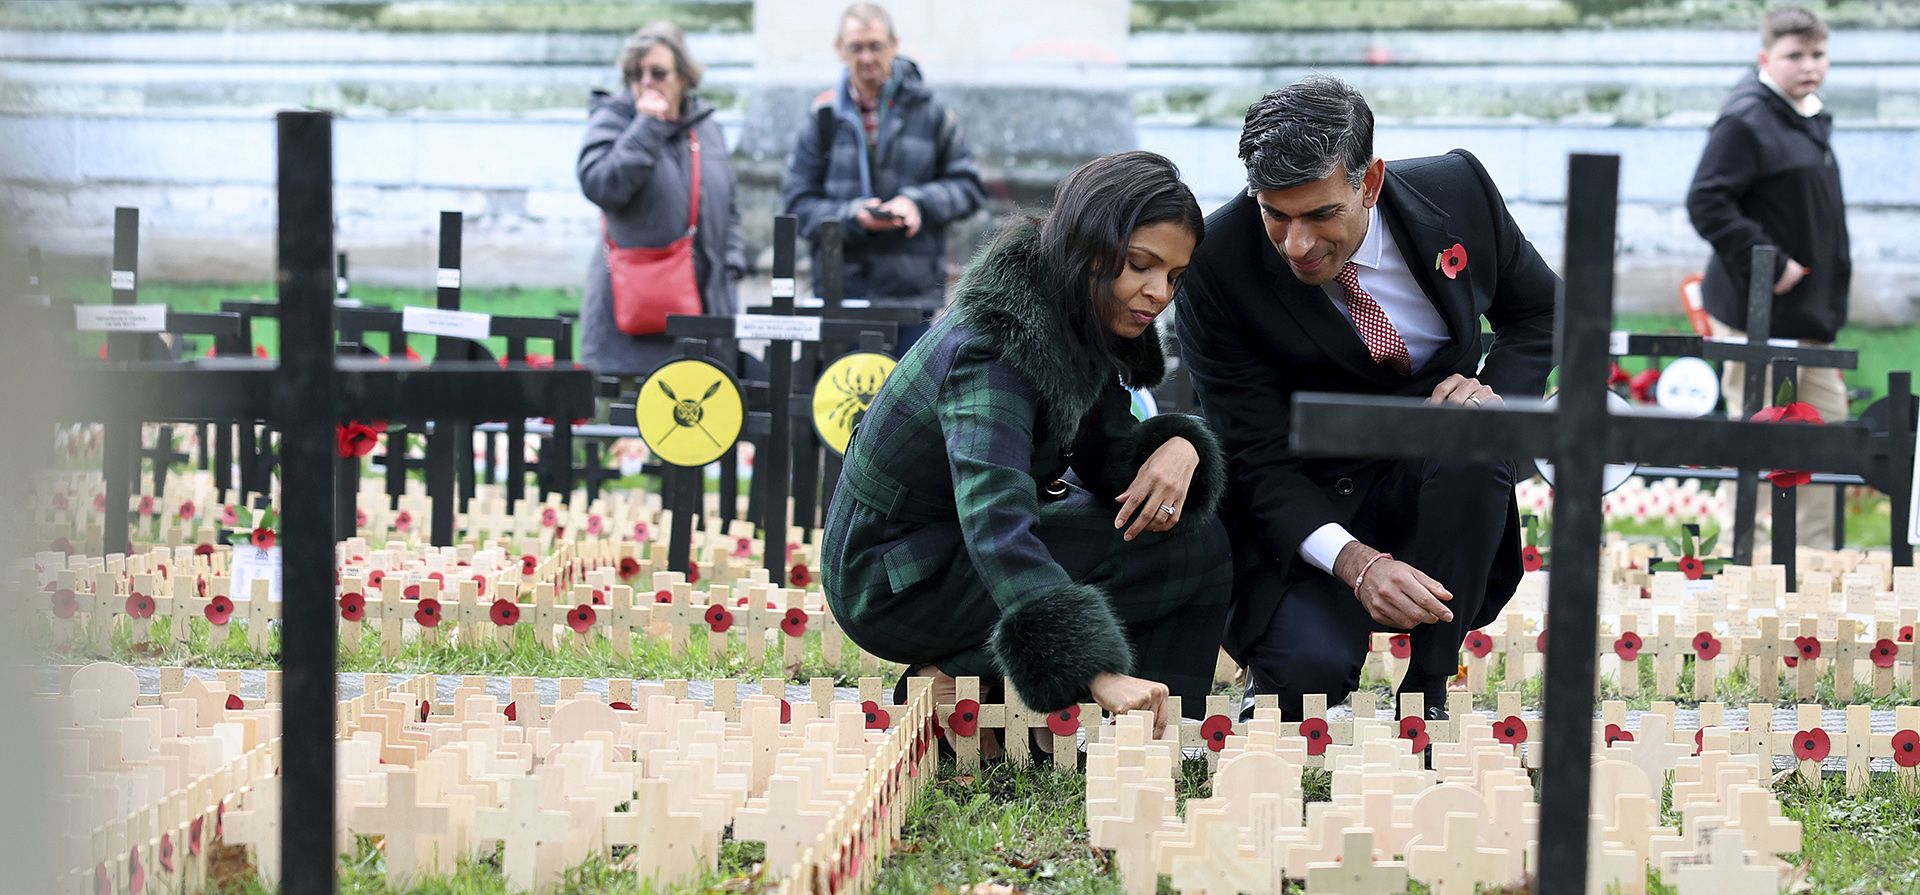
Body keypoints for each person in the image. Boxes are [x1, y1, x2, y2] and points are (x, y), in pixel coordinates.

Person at [1175, 76, 1559, 720]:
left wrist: (1493, 394)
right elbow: (1255, 454)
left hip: (1438, 479)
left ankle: (1430, 684)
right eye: (1275, 214)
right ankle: (1290, 656)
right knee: (1303, 685)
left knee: (1476, 445)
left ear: (1370, 182)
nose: (1296, 244)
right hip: (1309, 504)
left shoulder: (1459, 191)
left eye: (1321, 214)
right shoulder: (1217, 266)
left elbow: (1544, 311)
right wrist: (1354, 562)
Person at [820, 151, 1230, 735]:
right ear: (1089, 248)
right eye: (1141, 264)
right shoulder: (994, 352)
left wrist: (1182, 446)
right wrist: (1093, 667)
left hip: (951, 543)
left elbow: (1109, 460)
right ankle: (957, 676)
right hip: (893, 579)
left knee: (1189, 535)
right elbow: (996, 519)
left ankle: (1157, 732)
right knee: (1144, 548)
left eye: (1173, 276)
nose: (1158, 292)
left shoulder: (1075, 314)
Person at [1687, 5, 1850, 548]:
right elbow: (1707, 201)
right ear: (1765, 58)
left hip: (1807, 317)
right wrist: (1771, 261)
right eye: (1794, 55)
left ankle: (1816, 566)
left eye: (1818, 54)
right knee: (1760, 436)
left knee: (1824, 439)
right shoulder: (1746, 120)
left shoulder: (1805, 112)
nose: (1809, 66)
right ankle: (1748, 567)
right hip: (1757, 315)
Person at [781, 2, 987, 350]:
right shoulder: (822, 117)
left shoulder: (931, 111)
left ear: (894, 44)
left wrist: (917, 203)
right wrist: (853, 216)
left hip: (910, 296)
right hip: (841, 292)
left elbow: (968, 187)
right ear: (839, 49)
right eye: (855, 47)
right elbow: (797, 203)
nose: (866, 58)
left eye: (875, 46)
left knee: (912, 402)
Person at [578, 22, 746, 376]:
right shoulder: (614, 119)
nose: (647, 82)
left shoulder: (706, 126)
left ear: (684, 76)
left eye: (658, 72)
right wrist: (647, 126)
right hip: (636, 320)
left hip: (706, 311)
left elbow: (728, 204)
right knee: (628, 427)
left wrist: (731, 263)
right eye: (636, 75)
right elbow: (601, 184)